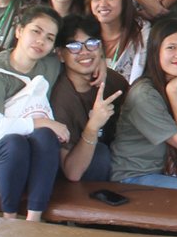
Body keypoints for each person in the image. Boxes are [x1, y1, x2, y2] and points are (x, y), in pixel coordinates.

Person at [0, 6, 66, 221]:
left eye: (49, 38)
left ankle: (33, 220)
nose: (41, 41)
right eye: (36, 31)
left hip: (32, 161)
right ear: (19, 31)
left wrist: (101, 66)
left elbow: (78, 55)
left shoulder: (49, 64)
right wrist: (44, 122)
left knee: (45, 136)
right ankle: (9, 219)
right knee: (15, 142)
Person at [110, 17, 177, 190]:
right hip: (138, 176)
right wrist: (173, 91)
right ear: (156, 51)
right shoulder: (143, 94)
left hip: (176, 168)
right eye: (171, 47)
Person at [50, 15, 127, 183]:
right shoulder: (60, 99)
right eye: (74, 46)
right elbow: (72, 172)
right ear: (60, 54)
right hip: (68, 180)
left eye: (92, 43)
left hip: (119, 168)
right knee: (100, 154)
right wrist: (93, 127)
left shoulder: (114, 82)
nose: (84, 51)